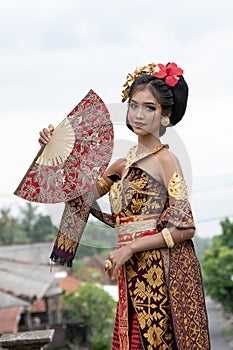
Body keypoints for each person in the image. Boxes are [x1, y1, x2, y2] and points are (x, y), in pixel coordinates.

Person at [39, 61, 210, 350]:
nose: (138, 114)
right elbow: (81, 197)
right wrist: (55, 152)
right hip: (128, 271)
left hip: (160, 274)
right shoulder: (121, 164)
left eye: (149, 107)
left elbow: (184, 226)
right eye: (134, 105)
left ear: (165, 115)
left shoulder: (166, 161)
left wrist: (130, 247)